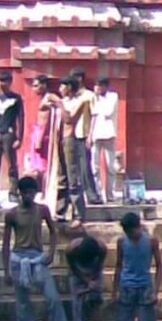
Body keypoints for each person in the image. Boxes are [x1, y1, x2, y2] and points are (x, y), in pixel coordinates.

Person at [1, 176, 74, 321]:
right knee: (23, 305)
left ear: (35, 193)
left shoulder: (42, 210)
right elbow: (5, 243)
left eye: (31, 192)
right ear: (20, 194)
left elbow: (53, 230)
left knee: (53, 299)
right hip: (19, 259)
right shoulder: (11, 214)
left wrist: (51, 252)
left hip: (37, 258)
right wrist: (6, 270)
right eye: (25, 193)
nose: (28, 196)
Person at [113, 212, 162, 321]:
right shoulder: (121, 242)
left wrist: (156, 291)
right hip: (127, 286)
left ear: (138, 227)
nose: (129, 234)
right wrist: (115, 290)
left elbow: (159, 267)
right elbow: (118, 266)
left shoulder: (151, 241)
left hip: (145, 287)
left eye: (131, 231)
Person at [65, 232, 107, 321]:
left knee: (96, 303)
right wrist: (85, 280)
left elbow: (99, 265)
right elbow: (73, 268)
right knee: (78, 307)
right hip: (77, 270)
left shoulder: (101, 248)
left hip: (94, 270)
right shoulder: (71, 249)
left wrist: (93, 281)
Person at [0, 71, 24, 206]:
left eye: (5, 81)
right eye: (0, 81)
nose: (2, 84)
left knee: (12, 166)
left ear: (10, 82)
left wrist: (20, 138)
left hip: (9, 134)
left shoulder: (16, 99)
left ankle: (13, 193)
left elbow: (21, 119)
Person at [57, 76, 87, 226]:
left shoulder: (79, 102)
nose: (60, 89)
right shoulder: (62, 102)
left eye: (62, 86)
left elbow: (70, 119)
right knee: (61, 177)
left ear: (69, 87)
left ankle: (79, 214)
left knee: (73, 177)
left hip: (70, 140)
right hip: (58, 139)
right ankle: (60, 210)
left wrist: (59, 105)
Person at [70, 68, 102, 204]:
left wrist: (90, 135)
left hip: (83, 134)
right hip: (70, 135)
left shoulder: (89, 95)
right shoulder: (72, 96)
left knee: (85, 167)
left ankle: (91, 195)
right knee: (72, 167)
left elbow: (94, 115)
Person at [90, 77, 119, 203]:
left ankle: (110, 194)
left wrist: (97, 101)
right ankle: (98, 193)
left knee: (110, 166)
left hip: (108, 134)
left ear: (105, 87)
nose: (98, 89)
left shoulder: (113, 97)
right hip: (96, 135)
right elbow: (93, 117)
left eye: (100, 86)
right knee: (94, 167)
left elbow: (108, 112)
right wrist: (90, 135)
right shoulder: (93, 98)